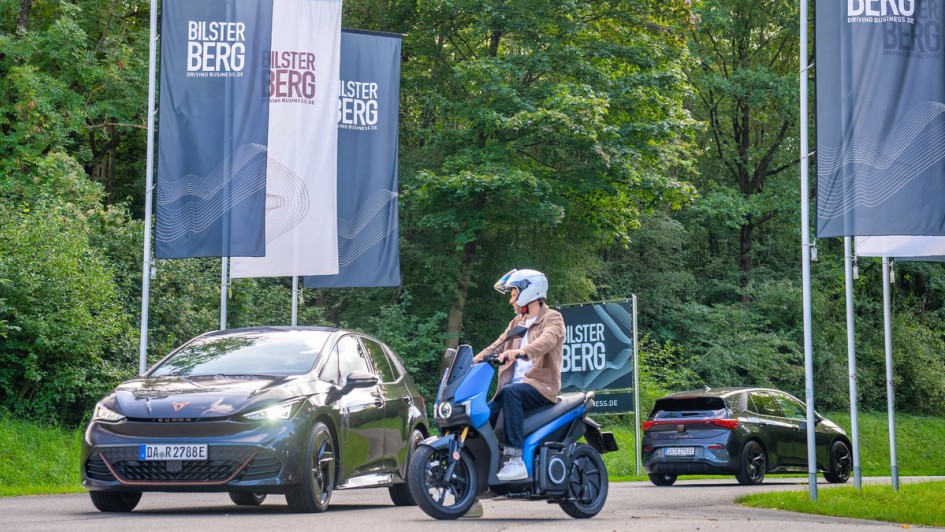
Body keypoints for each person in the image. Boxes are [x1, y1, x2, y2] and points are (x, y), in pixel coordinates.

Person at [472, 268, 565, 481]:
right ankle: (479, 470)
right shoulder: (516, 323)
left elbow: (546, 341)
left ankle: (515, 460)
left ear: (529, 292)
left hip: (541, 386)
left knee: (511, 392)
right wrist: (470, 363)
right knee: (482, 415)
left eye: (513, 294)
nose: (511, 301)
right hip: (511, 392)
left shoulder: (553, 318)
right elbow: (496, 346)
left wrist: (521, 352)